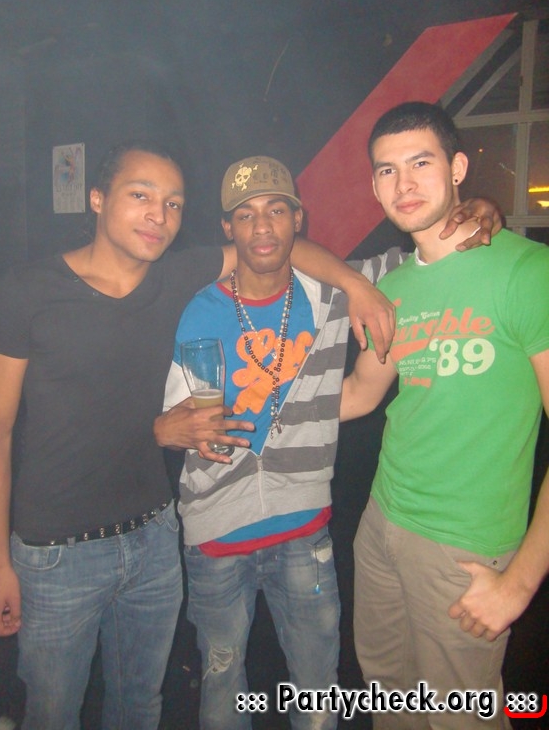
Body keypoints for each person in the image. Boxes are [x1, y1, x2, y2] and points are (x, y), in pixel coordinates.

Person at [0, 139, 404, 730]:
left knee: (140, 706)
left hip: (153, 538)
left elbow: (276, 245)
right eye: (140, 195)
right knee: (53, 713)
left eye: (173, 203)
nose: (159, 214)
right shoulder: (30, 291)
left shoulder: (174, 277)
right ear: (97, 199)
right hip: (57, 552)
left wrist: (356, 283)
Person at [158, 156, 501, 730]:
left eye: (276, 210)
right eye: (245, 214)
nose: (262, 226)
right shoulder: (201, 309)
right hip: (216, 535)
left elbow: (429, 253)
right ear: (227, 228)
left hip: (303, 531)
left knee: (318, 691)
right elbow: (178, 419)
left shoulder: (332, 294)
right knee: (222, 687)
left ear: (298, 219)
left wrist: (479, 210)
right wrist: (173, 429)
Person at [340, 102, 549, 729]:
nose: (403, 184)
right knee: (389, 697)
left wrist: (518, 584)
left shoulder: (527, 272)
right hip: (382, 523)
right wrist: (257, 408)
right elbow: (361, 393)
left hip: (464, 549)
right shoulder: (394, 289)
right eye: (387, 170)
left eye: (420, 163)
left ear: (457, 168)